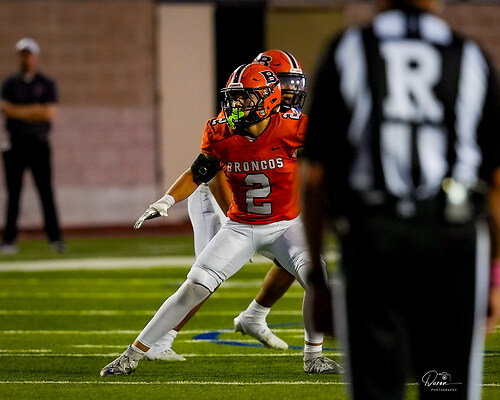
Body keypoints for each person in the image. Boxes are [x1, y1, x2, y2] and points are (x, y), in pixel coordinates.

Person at [302, 0, 500, 399]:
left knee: (377, 389)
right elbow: (495, 180)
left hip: (374, 240)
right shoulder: (470, 55)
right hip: (452, 239)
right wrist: (494, 277)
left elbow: (314, 178)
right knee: (448, 387)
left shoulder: (348, 49)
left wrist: (318, 281)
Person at [100, 63, 342, 376]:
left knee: (316, 278)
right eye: (233, 97)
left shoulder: (294, 128)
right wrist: (167, 200)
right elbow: (199, 171)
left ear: (268, 99)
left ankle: (314, 358)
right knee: (195, 286)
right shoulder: (221, 131)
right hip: (241, 226)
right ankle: (131, 355)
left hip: (285, 225)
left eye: (244, 97)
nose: (236, 104)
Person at [144, 50, 308, 361]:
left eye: (293, 84)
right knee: (206, 276)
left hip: (255, 198)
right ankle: (160, 340)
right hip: (218, 193)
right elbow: (216, 171)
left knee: (296, 255)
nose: (291, 91)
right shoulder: (240, 115)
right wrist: (243, 223)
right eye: (285, 84)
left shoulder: (284, 120)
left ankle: (254, 316)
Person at [0, 38, 65, 254]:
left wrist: (19, 111)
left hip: (38, 144)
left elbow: (48, 113)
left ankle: (55, 239)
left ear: (35, 57)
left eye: (29, 54)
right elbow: (5, 109)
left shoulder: (45, 84)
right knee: (13, 194)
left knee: (46, 192)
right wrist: (33, 111)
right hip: (15, 144)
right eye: (23, 54)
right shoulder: (10, 84)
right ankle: (9, 240)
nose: (26, 59)